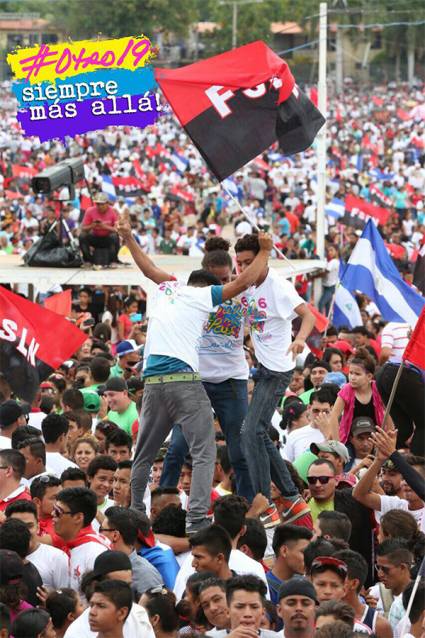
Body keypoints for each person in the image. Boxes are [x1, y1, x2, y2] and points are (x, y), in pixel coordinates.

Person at [118, 213, 274, 535]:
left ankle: (135, 514)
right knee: (204, 452)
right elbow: (243, 282)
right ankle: (198, 519)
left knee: (144, 455)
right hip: (184, 381)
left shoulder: (166, 289)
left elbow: (146, 267)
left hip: (152, 383)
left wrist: (128, 236)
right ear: (208, 288)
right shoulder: (203, 296)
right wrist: (266, 251)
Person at [161, 237, 255, 502]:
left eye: (226, 280)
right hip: (194, 381)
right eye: (214, 282)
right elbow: (153, 273)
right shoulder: (187, 298)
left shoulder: (240, 294)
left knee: (239, 450)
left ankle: (247, 505)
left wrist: (266, 250)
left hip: (231, 382)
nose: (221, 288)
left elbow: (257, 273)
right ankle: (162, 501)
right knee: (178, 447)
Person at [234, 233, 315, 527]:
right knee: (255, 433)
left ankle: (264, 499)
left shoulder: (278, 285)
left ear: (261, 257)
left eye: (248, 262)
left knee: (250, 431)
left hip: (279, 368)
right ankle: (292, 497)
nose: (243, 268)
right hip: (262, 368)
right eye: (239, 263)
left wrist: (300, 340)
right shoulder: (245, 286)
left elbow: (308, 316)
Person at [306, 459, 375, 585]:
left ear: (337, 480)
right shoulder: (302, 506)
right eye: (312, 480)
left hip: (351, 578)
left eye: (323, 479)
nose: (317, 484)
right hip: (313, 577)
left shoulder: (352, 500)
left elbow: (378, 497)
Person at [63, 550, 155, 638]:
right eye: (116, 584)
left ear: (123, 612)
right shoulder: (77, 631)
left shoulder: (139, 615)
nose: (124, 591)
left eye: (127, 585)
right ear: (97, 585)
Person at [352, 428, 425, 532]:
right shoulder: (396, 505)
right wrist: (379, 460)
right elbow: (359, 495)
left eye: (412, 479)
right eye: (404, 478)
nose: (407, 483)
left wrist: (393, 453)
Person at [377, 321, 424, 455]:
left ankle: (381, 460)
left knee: (403, 429)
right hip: (403, 374)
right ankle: (418, 467)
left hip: (385, 372)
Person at [328, 349, 392, 443]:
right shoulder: (346, 390)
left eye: (357, 374)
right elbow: (333, 416)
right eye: (351, 373)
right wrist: (338, 444)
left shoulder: (377, 389)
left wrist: (390, 438)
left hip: (374, 439)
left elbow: (388, 414)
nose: (352, 377)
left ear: (369, 376)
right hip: (350, 439)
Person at [52, 487, 110, 590]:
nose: (52, 514)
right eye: (53, 509)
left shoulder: (95, 552)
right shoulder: (76, 544)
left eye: (58, 511)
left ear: (78, 517)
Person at [5, 499, 69, 589]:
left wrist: (51, 600)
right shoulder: (2, 557)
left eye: (29, 526)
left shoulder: (57, 558)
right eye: (18, 526)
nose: (24, 531)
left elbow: (67, 598)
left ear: (38, 527)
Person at [101, 506, 163, 596]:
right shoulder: (100, 562)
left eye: (101, 529)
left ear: (115, 535)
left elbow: (155, 608)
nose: (99, 534)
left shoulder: (146, 575)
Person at [334, 549, 393, 638]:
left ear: (354, 583)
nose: (328, 588)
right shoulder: (317, 617)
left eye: (336, 579)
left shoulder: (379, 625)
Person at [266, 524, 313, 604]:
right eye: (303, 552)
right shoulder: (265, 588)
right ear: (284, 551)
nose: (308, 557)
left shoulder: (305, 584)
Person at [375, 539, 413, 633]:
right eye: (378, 567)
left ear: (402, 568)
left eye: (385, 569)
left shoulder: (419, 596)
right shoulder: (375, 593)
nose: (380, 574)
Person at [79, 192, 120, 268]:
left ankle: (113, 260)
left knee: (114, 236)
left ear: (107, 203)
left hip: (108, 238)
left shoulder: (113, 211)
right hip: (95, 236)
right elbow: (83, 228)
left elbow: (117, 229)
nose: (100, 206)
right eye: (98, 204)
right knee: (82, 236)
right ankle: (88, 260)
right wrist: (92, 225)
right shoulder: (90, 211)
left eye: (102, 204)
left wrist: (104, 226)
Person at [318, 245, 339, 316]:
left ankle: (321, 323)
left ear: (336, 251)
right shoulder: (334, 261)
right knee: (328, 307)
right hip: (329, 287)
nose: (329, 252)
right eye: (328, 251)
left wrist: (313, 276)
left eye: (331, 250)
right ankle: (327, 322)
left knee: (321, 303)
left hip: (329, 288)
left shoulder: (333, 262)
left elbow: (325, 273)